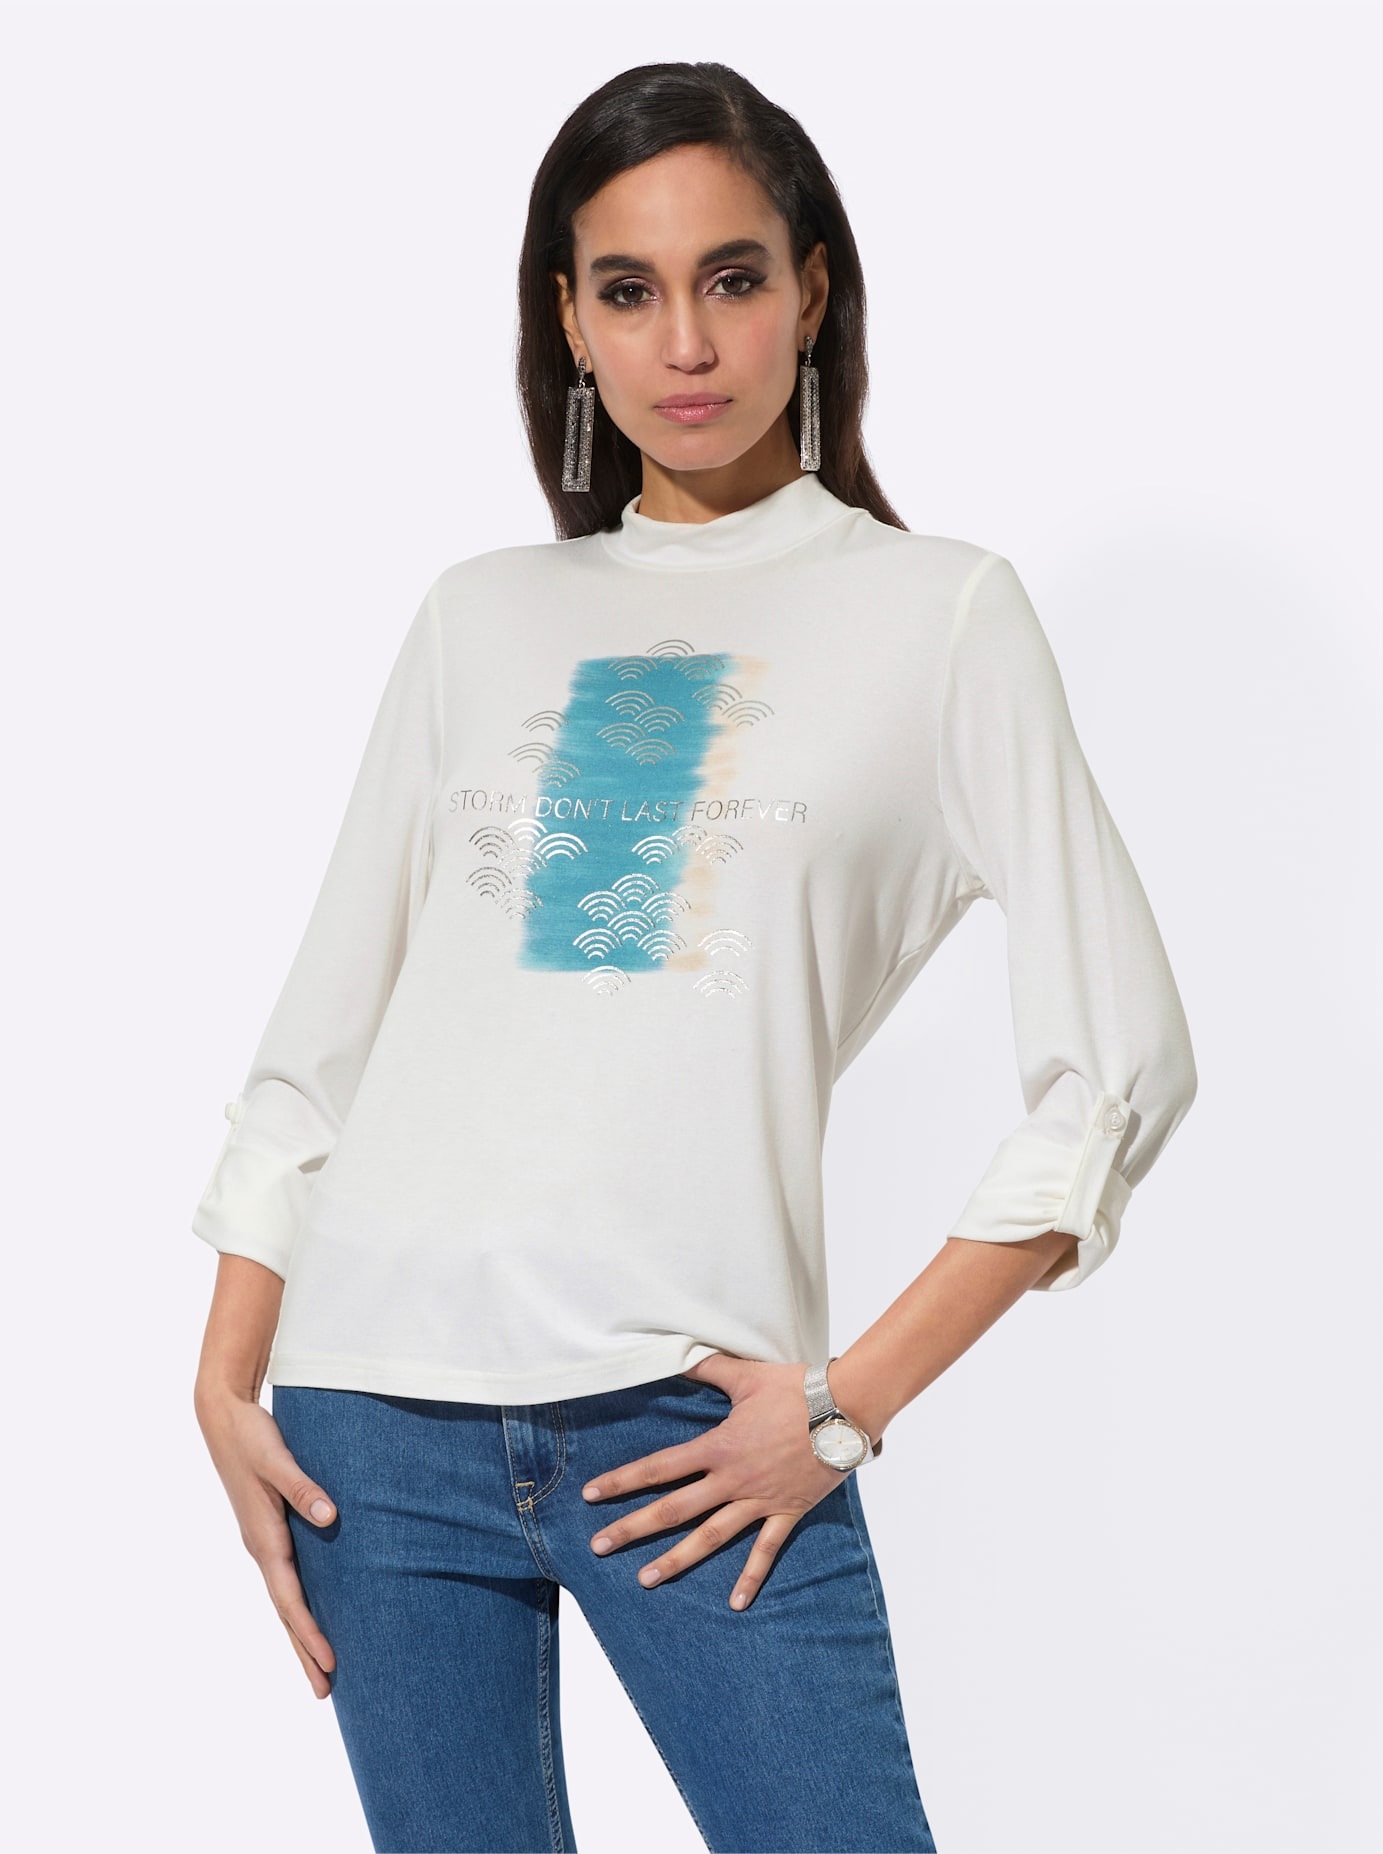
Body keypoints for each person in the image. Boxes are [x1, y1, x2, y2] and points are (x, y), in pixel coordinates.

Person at [191, 59, 1198, 1854]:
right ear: (569, 325)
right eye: (628, 289)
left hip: (693, 1426)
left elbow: (1120, 1064)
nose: (687, 341)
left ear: (812, 290)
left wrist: (846, 1403)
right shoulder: (482, 615)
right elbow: (323, 1040)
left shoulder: (940, 614)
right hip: (377, 1419)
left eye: (732, 278)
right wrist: (226, 1371)